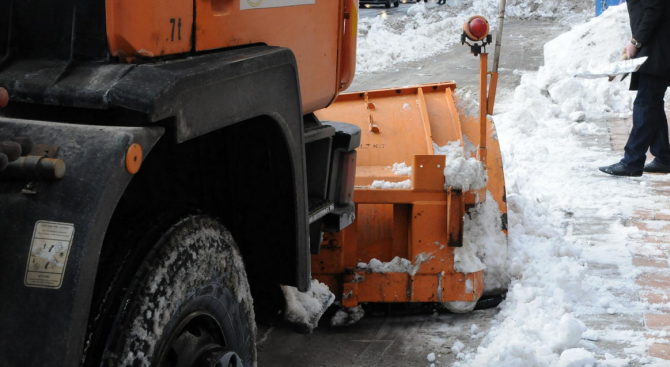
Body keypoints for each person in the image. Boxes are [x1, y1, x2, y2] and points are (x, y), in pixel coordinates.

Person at [599, 0, 670, 177]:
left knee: (645, 105)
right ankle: (664, 157)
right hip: (655, 48)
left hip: (657, 50)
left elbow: (654, 10)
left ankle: (632, 162)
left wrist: (636, 41)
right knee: (652, 103)